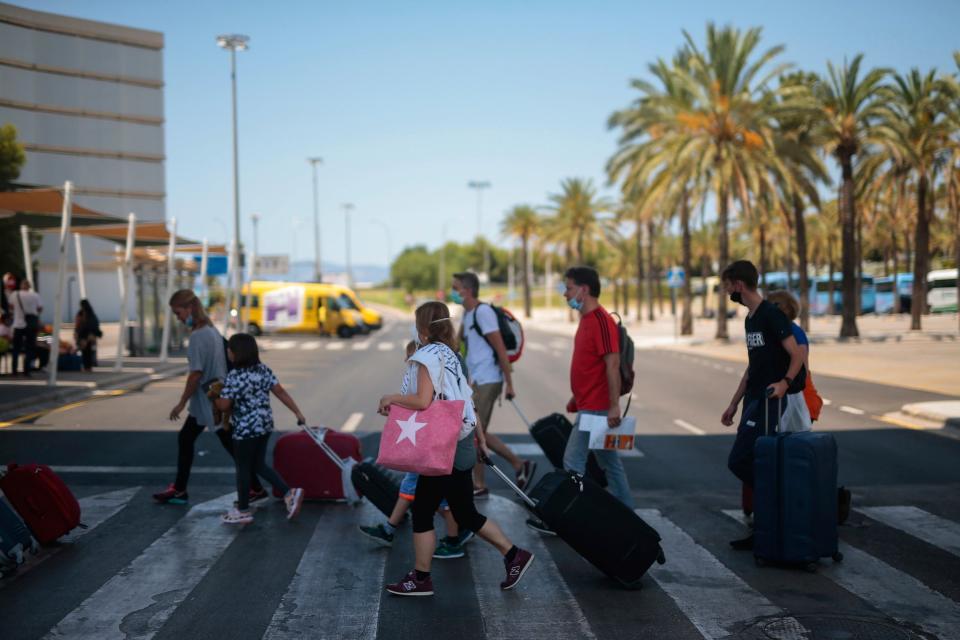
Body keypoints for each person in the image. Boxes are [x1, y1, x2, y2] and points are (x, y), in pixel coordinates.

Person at [377, 302, 534, 596]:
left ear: (422, 326)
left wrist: (391, 398)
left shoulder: (425, 356)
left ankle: (421, 578)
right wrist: (481, 441)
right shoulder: (451, 354)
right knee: (464, 513)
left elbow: (423, 401)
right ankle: (514, 555)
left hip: (441, 445)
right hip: (460, 442)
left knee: (423, 512)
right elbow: (467, 400)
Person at [527, 266, 634, 535]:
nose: (565, 294)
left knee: (573, 462)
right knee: (610, 464)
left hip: (598, 408)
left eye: (569, 288)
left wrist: (612, 405)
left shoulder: (601, 321)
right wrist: (578, 395)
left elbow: (612, 365)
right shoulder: (587, 319)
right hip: (590, 404)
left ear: (584, 290)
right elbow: (591, 365)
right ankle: (628, 518)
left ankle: (566, 519)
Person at [360, 341, 475, 558]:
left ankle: (452, 539)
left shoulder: (430, 369)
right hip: (427, 445)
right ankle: (394, 531)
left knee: (434, 502)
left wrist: (392, 399)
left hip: (429, 446)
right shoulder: (443, 365)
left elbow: (423, 403)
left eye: (410, 357)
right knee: (422, 494)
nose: (408, 362)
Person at [720, 261, 806, 550]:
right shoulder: (750, 319)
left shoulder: (771, 314)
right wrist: (733, 403)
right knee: (753, 460)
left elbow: (796, 355)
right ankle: (764, 526)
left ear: (738, 284)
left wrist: (784, 383)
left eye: (728, 285)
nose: (726, 290)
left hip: (770, 400)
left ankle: (779, 505)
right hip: (753, 399)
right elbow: (752, 366)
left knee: (741, 459)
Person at [153, 290, 267, 505]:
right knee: (188, 439)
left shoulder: (198, 337)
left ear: (189, 309)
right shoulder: (211, 330)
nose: (178, 317)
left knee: (231, 446)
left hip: (212, 401)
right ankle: (180, 488)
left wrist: (180, 403)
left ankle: (257, 486)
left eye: (178, 313)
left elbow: (195, 374)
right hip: (212, 397)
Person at [451, 272, 536, 496]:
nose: (452, 292)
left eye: (455, 288)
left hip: (488, 379)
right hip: (475, 381)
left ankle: (479, 484)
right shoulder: (467, 314)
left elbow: (500, 349)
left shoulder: (483, 312)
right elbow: (457, 345)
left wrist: (509, 384)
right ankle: (518, 464)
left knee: (474, 433)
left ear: (467, 291)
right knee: (478, 431)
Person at [213, 333, 305, 524]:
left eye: (229, 349)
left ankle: (244, 510)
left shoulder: (234, 376)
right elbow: (280, 392)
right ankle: (290, 493)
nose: (227, 352)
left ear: (235, 354)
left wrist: (213, 395)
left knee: (243, 469)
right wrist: (297, 412)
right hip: (264, 425)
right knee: (258, 465)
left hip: (245, 429)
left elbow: (224, 406)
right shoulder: (263, 370)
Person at [9, 279, 42, 377]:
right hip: (30, 325)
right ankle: (26, 370)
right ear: (29, 286)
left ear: (21, 285)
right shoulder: (35, 295)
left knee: (16, 349)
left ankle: (14, 371)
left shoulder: (15, 294)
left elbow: (11, 307)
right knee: (29, 348)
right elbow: (40, 308)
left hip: (18, 324)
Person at [74, 299, 102, 372]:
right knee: (88, 351)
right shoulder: (90, 313)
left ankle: (87, 366)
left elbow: (79, 324)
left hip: (86, 335)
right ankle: (88, 366)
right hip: (88, 335)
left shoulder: (84, 313)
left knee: (86, 352)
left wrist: (77, 333)